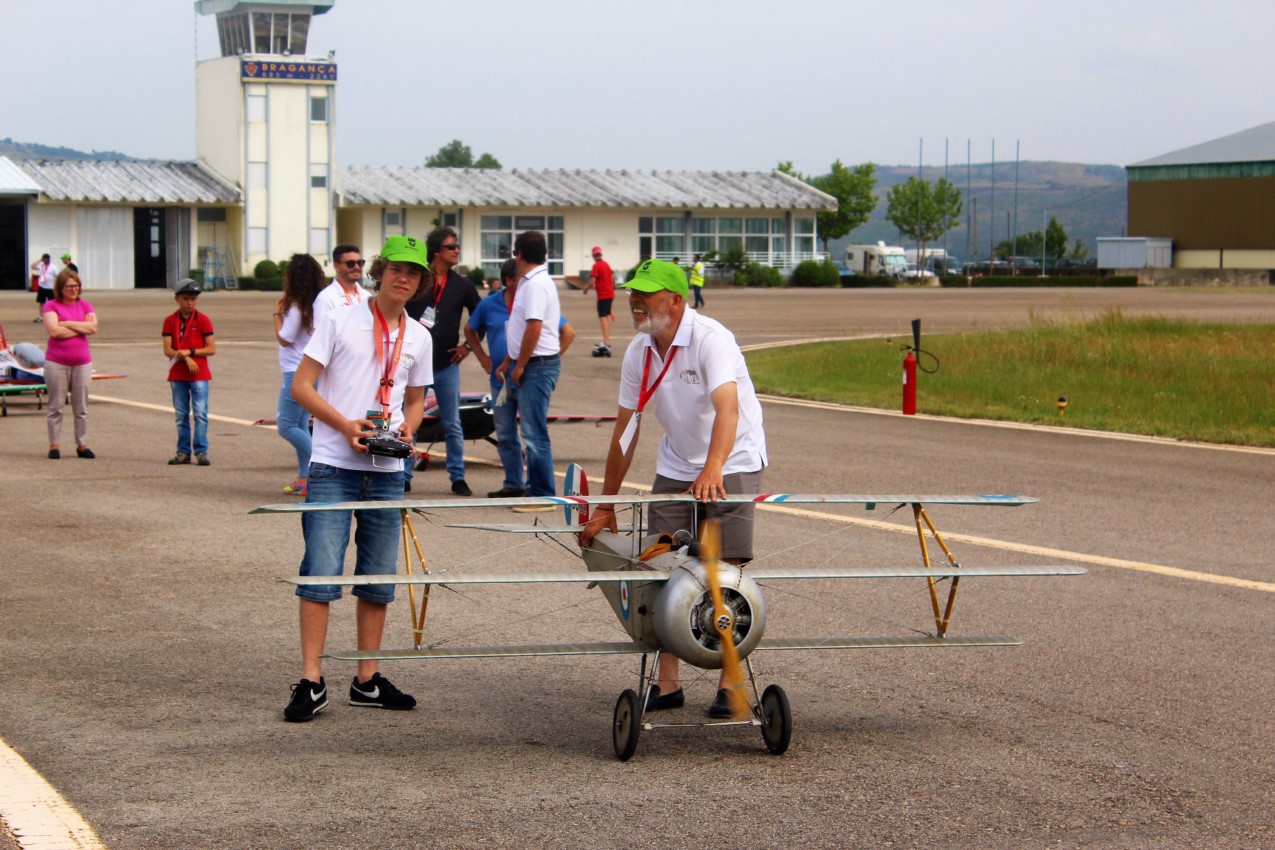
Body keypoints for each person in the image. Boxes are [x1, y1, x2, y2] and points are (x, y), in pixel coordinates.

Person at [580, 258, 767, 718]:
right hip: (677, 462)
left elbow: (728, 409)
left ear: (677, 300)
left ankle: (730, 683)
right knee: (663, 563)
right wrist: (606, 504)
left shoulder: (711, 340)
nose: (634, 302)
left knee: (725, 570)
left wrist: (714, 468)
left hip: (733, 458)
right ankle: (667, 685)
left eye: (645, 294)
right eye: (632, 293)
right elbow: (626, 429)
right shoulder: (639, 351)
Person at [284, 235, 434, 723]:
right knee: (320, 572)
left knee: (377, 578)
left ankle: (366, 679)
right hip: (332, 464)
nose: (403, 278)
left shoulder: (420, 336)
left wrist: (410, 424)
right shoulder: (339, 318)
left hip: (388, 469)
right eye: (395, 268)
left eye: (413, 272)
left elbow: (415, 397)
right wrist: (345, 426)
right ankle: (311, 678)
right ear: (379, 270)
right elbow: (300, 387)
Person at [465, 258, 575, 498]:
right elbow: (469, 329)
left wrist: (549, 359)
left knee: (532, 434)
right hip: (501, 380)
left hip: (529, 374)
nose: (526, 280)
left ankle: (538, 489)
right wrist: (482, 357)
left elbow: (567, 332)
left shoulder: (531, 298)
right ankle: (514, 483)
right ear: (509, 280)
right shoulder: (490, 304)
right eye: (521, 278)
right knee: (505, 435)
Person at [406, 226, 480, 496]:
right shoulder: (418, 278)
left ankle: (457, 477)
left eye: (457, 246)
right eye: (451, 247)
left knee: (453, 423)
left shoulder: (462, 284)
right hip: (415, 362)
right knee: (409, 420)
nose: (457, 251)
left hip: (446, 364)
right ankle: (404, 474)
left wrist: (468, 347)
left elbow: (481, 316)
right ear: (436, 251)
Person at [495, 231, 563, 504]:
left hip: (537, 365)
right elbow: (523, 326)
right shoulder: (533, 282)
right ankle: (536, 488)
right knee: (532, 432)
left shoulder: (534, 285)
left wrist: (519, 365)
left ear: (519, 253)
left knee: (534, 434)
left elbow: (534, 328)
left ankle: (542, 494)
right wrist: (510, 359)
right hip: (533, 363)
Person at [273, 253, 327, 496]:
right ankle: (305, 477)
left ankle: (319, 464)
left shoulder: (296, 307)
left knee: (286, 426)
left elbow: (285, 338)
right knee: (301, 424)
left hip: (296, 372)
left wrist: (276, 315)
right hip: (310, 371)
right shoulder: (316, 305)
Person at [42, 268, 97, 460]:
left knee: (81, 408)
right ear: (61, 287)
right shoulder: (50, 306)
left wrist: (66, 323)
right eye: (70, 286)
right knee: (56, 406)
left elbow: (93, 327)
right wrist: (81, 326)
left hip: (82, 363)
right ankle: (54, 444)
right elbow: (54, 332)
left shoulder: (86, 305)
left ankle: (82, 444)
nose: (74, 289)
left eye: (76, 286)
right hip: (56, 362)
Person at [161, 279, 216, 466]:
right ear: (177, 299)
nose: (190, 302)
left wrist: (191, 351)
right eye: (186, 298)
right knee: (181, 414)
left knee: (200, 413)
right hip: (178, 373)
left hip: (199, 374)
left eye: (193, 299)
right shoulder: (170, 321)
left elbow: (211, 348)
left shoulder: (203, 320)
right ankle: (183, 451)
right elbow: (168, 350)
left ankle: (201, 451)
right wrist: (185, 357)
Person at [581, 246, 615, 357]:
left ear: (593, 255)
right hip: (610, 294)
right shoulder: (606, 264)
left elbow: (593, 281)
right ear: (601, 254)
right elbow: (612, 276)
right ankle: (606, 341)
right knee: (605, 317)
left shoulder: (596, 266)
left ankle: (606, 342)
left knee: (603, 317)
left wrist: (586, 288)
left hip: (603, 295)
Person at [315, 243, 367, 314]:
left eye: (360, 263)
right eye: (350, 263)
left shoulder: (366, 296)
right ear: (336, 266)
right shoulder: (326, 299)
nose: (357, 267)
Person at [30, 254, 57, 322]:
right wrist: (39, 260)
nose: (47, 260)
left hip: (50, 287)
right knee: (41, 302)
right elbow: (32, 266)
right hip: (42, 286)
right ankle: (41, 316)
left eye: (48, 259)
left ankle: (52, 316)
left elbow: (57, 275)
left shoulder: (53, 266)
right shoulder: (41, 265)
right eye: (45, 259)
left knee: (51, 302)